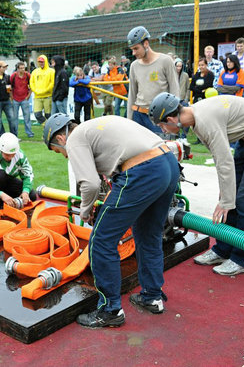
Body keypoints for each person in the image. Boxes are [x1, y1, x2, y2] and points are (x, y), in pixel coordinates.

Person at [42, 113, 179, 328]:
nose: (65, 156)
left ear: (60, 139)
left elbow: (90, 184)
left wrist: (85, 212)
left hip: (143, 170)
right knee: (148, 236)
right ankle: (152, 298)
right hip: (167, 163)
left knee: (101, 241)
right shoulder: (97, 126)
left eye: (59, 152)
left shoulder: (75, 137)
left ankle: (110, 310)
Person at [149, 92, 244, 276]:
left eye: (162, 125)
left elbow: (224, 161)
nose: (163, 130)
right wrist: (225, 195)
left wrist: (226, 200)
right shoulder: (196, 121)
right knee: (230, 199)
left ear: (172, 119)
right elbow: (220, 159)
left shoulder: (205, 121)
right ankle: (223, 249)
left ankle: (242, 259)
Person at [126, 26, 180, 134]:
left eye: (136, 48)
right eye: (132, 49)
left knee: (160, 150)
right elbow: (132, 94)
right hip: (139, 115)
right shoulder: (134, 66)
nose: (133, 53)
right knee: (138, 150)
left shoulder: (165, 61)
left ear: (146, 43)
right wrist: (129, 120)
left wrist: (174, 117)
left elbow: (175, 90)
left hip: (158, 116)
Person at [0, 132, 36, 210]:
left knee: (32, 196)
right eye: (7, 154)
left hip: (9, 182)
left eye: (13, 154)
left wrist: (25, 191)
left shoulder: (20, 156)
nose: (10, 158)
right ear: (1, 150)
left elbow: (28, 175)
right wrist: (0, 194)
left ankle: (11, 200)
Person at [0, 61, 17, 137]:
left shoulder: (7, 77)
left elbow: (9, 87)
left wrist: (10, 96)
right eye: (3, 67)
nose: (5, 68)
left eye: (6, 67)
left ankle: (14, 136)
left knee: (11, 118)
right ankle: (1, 136)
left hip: (7, 101)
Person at [10, 61, 33, 138]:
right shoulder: (13, 76)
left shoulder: (27, 75)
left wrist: (28, 96)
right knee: (15, 117)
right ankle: (15, 133)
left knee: (27, 116)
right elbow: (10, 87)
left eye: (24, 68)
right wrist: (12, 98)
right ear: (17, 69)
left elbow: (31, 86)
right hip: (15, 99)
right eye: (21, 68)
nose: (22, 70)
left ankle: (29, 132)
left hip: (24, 99)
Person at [30, 55, 55, 124]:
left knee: (48, 115)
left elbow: (52, 83)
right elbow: (31, 82)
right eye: (39, 62)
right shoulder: (35, 72)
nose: (41, 63)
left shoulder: (51, 71)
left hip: (48, 96)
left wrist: (45, 90)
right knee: (37, 114)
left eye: (42, 62)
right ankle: (47, 126)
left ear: (46, 61)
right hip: (37, 96)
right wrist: (35, 91)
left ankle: (48, 131)